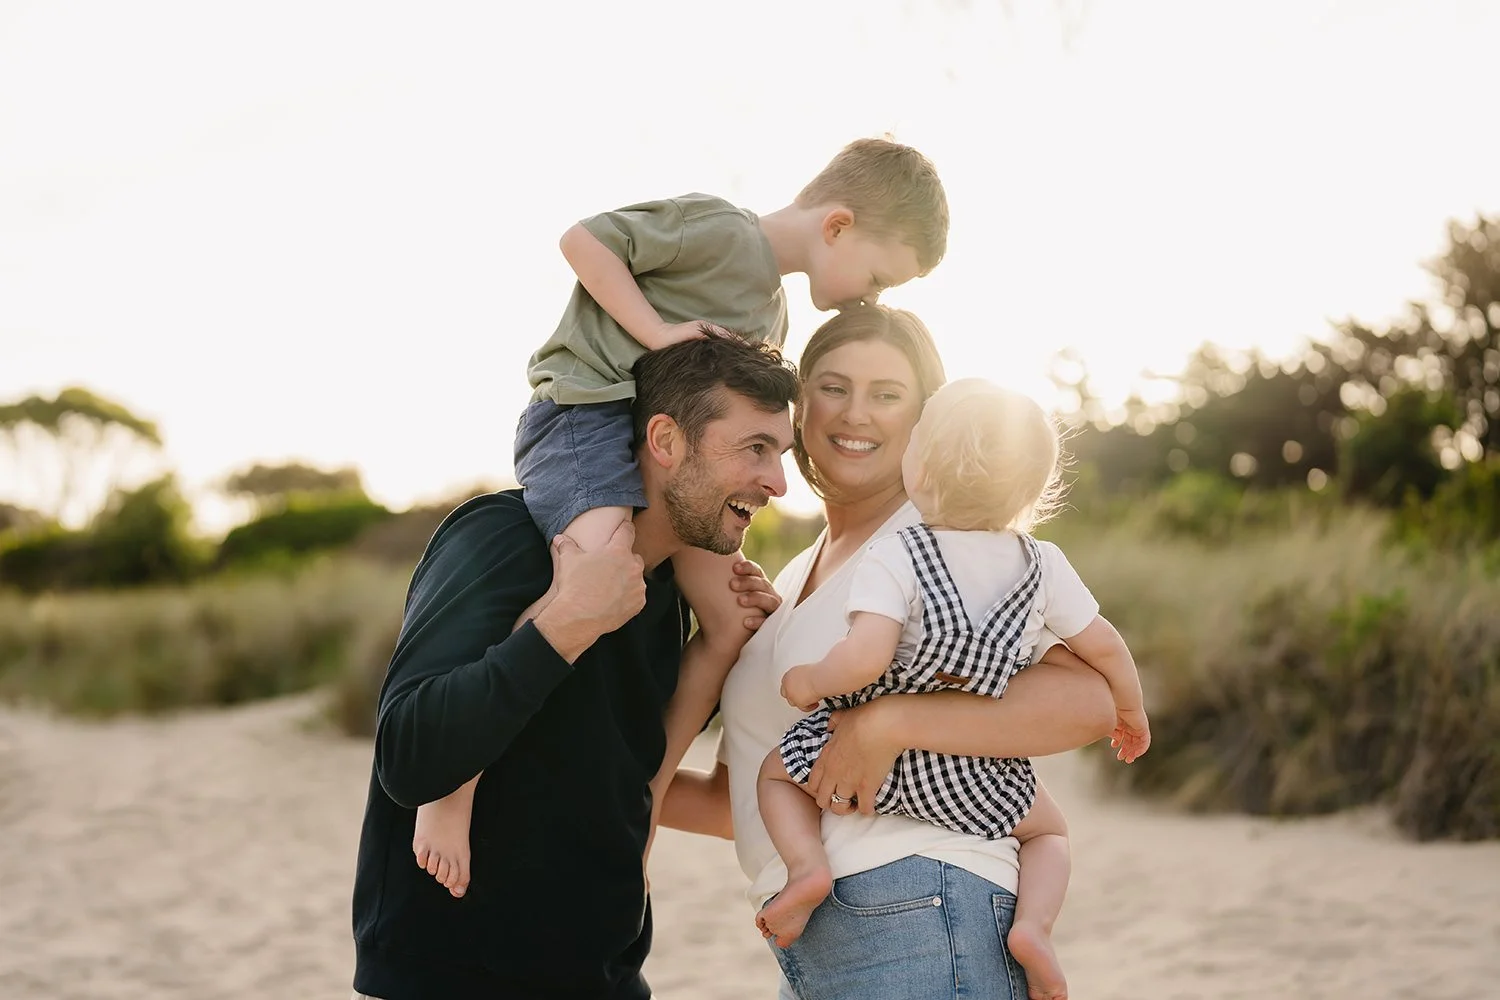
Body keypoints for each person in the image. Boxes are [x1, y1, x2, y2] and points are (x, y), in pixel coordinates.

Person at [412, 138, 950, 898]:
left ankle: (645, 801)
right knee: (597, 568)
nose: (868, 297)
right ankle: (452, 787)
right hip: (586, 416)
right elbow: (585, 241)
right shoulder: (724, 231)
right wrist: (655, 334)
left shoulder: (773, 307)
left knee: (730, 620)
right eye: (875, 276)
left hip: (668, 465)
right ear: (837, 225)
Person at [660, 306, 1120, 1000]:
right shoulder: (795, 574)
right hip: (817, 939)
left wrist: (888, 723)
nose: (857, 414)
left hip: (926, 906)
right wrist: (590, 783)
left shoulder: (948, 541)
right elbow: (743, 799)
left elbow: (1091, 701)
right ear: (800, 403)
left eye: (888, 394)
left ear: (925, 421)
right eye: (835, 387)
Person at [349, 334, 798, 1000]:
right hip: (453, 977)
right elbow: (410, 756)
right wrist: (567, 622)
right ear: (666, 440)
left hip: (603, 975)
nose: (778, 482)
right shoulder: (503, 536)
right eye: (755, 448)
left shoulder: (673, 597)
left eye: (781, 454)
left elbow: (629, 784)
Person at [754, 377, 1151, 999]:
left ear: (923, 473)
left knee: (776, 775)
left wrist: (809, 681)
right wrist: (1131, 710)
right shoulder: (1041, 564)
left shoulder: (899, 554)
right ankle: (1035, 930)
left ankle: (807, 872)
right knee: (1048, 832)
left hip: (870, 772)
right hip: (979, 774)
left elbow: (865, 658)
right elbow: (1104, 647)